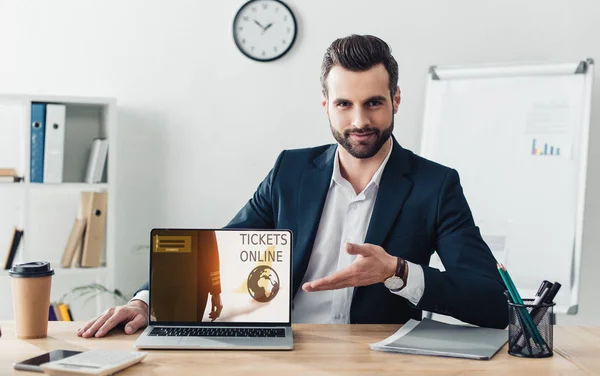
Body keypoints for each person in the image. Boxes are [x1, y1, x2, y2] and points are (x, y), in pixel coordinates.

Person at [77, 34, 508, 339]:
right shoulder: (291, 171)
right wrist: (146, 303)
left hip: (376, 359)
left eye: (373, 102)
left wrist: (397, 272)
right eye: (344, 104)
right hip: (286, 349)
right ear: (326, 105)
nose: (359, 121)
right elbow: (224, 250)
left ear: (396, 100)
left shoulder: (436, 185)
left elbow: (491, 302)